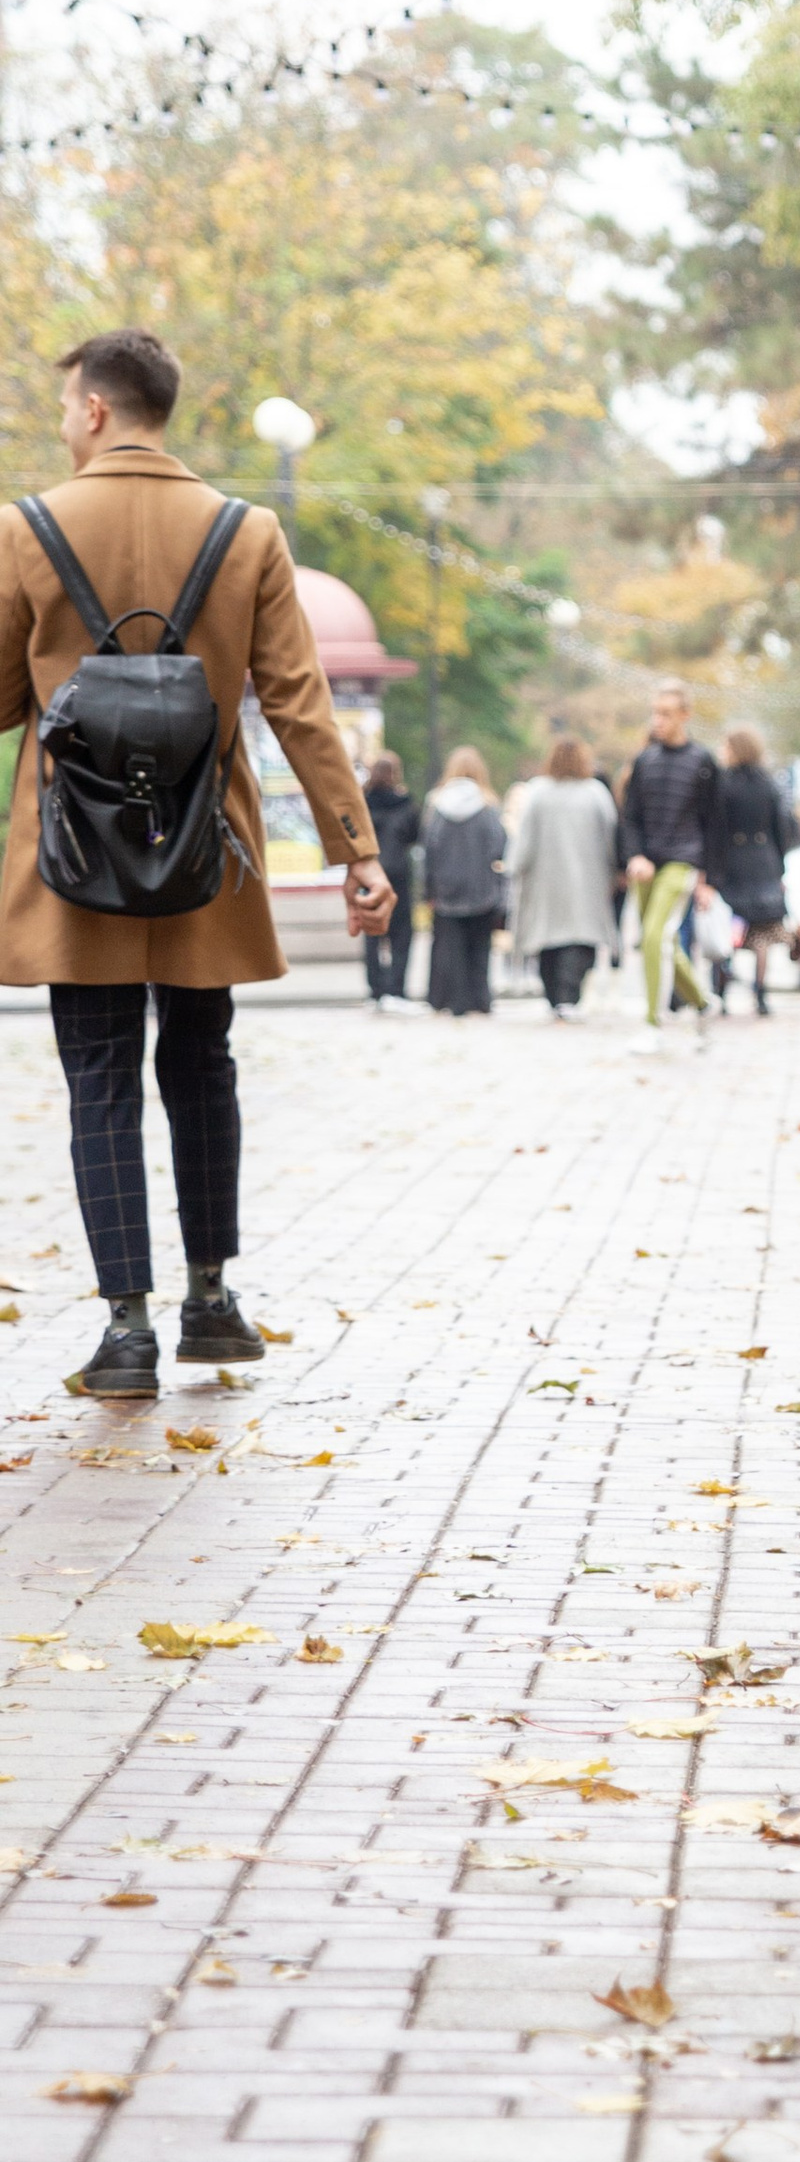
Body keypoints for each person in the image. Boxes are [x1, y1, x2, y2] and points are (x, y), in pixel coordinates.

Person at [0, 329, 394, 1402]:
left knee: (98, 1082)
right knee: (201, 1068)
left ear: (92, 410)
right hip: (201, 854)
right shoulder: (246, 530)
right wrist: (356, 851)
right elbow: (299, 706)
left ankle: (124, 1327)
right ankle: (211, 1303)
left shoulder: (27, 528)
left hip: (76, 855)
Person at [618, 677, 721, 1031]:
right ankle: (703, 1003)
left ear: (684, 715)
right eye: (654, 713)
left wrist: (708, 878)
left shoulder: (703, 762)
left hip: (683, 862)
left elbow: (713, 824)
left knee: (653, 938)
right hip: (647, 865)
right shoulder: (644, 761)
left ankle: (652, 1024)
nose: (657, 721)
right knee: (662, 942)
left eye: (665, 714)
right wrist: (634, 856)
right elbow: (629, 818)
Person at [507, 735, 620, 1016]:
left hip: (545, 881)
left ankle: (554, 997)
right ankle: (570, 997)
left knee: (548, 939)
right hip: (587, 880)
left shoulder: (538, 792)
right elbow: (611, 836)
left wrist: (515, 866)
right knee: (580, 937)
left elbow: (524, 837)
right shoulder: (595, 793)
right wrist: (615, 869)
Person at [708, 723, 798, 1017]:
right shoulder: (769, 784)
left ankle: (719, 991)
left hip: (731, 864)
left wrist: (711, 872)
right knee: (762, 935)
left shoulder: (722, 784)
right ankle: (760, 993)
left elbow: (716, 830)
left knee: (726, 930)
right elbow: (781, 829)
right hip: (764, 863)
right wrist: (780, 869)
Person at [422, 748, 508, 1015]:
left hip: (446, 889)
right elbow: (499, 845)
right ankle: (480, 999)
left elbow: (429, 849)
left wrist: (428, 889)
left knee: (450, 947)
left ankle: (452, 1000)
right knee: (480, 947)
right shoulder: (488, 805)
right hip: (482, 888)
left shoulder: (436, 805)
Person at [364, 752, 421, 1007]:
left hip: (369, 873)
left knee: (371, 932)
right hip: (398, 873)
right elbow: (415, 836)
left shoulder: (362, 802)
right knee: (401, 934)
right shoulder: (406, 803)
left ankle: (376, 989)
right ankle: (396, 988)